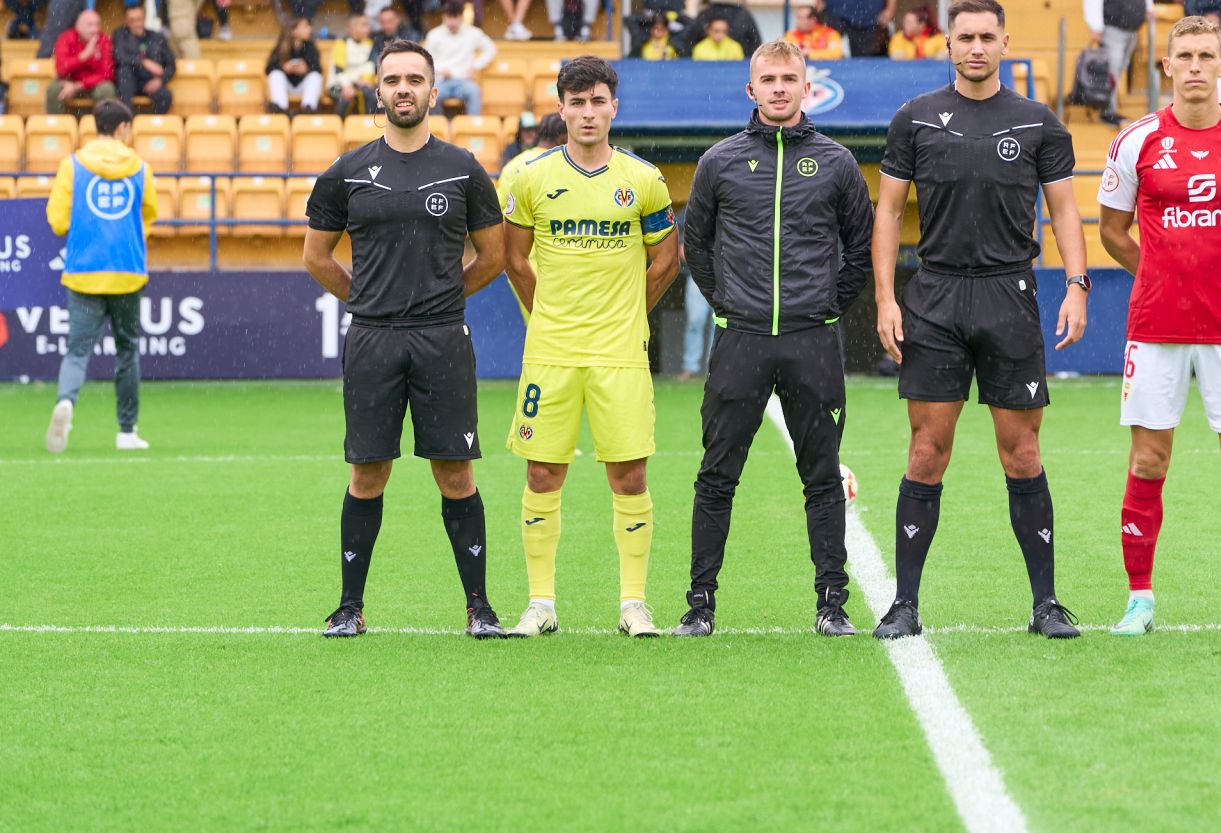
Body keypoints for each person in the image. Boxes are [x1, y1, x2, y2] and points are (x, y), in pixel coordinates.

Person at [871, 0, 1088, 640]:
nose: (975, 47)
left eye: (986, 36)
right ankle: (905, 603)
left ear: (1004, 42)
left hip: (1008, 294)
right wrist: (885, 296)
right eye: (964, 36)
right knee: (926, 448)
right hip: (935, 296)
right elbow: (887, 211)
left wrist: (1076, 284)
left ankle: (1045, 603)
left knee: (1021, 450)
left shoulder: (1036, 121)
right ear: (947, 44)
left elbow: (1066, 211)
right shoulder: (915, 118)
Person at [1098, 15, 1221, 639]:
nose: (1192, 66)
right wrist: (1160, 273)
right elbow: (1110, 229)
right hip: (1155, 326)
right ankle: (1139, 600)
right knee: (1149, 460)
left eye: (1204, 56)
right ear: (1166, 66)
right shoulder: (1136, 141)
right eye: (1181, 56)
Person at [303, 40, 508, 639]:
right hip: (372, 340)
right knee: (367, 474)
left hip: (442, 338)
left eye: (414, 79)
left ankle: (479, 608)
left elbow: (493, 255)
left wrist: (443, 298)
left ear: (433, 92)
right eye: (392, 79)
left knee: (457, 475)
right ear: (378, 92)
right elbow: (316, 256)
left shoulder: (464, 167)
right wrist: (367, 301)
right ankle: (349, 607)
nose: (403, 89)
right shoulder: (346, 170)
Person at [669, 40, 874, 638]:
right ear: (750, 90)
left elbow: (858, 247)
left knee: (821, 476)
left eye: (790, 78)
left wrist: (829, 305)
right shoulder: (719, 162)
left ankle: (831, 605)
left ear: (806, 88)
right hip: (742, 342)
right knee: (717, 475)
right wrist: (728, 304)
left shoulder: (837, 163)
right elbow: (697, 246)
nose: (780, 88)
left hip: (813, 341)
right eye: (769, 79)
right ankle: (700, 605)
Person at [498, 57, 679, 640]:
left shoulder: (644, 180)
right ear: (561, 109)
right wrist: (544, 313)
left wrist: (629, 315)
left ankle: (633, 604)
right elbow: (514, 259)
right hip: (550, 352)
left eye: (597, 101)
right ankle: (541, 603)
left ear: (613, 108)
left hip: (620, 353)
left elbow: (667, 259)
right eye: (576, 103)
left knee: (629, 476)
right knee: (543, 474)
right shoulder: (530, 178)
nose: (587, 112)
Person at [43, 100, 158, 454]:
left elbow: (57, 220)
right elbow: (149, 215)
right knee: (127, 351)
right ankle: (126, 431)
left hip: (84, 271)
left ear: (96, 126)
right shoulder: (139, 167)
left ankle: (66, 402)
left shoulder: (72, 166)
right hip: (126, 270)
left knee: (77, 351)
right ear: (122, 128)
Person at [1083, 0, 1152, 127]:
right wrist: (1095, 26)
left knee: (1119, 68)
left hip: (1133, 28)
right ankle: (1107, 110)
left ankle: (1107, 105)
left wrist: (1148, 8)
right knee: (1111, 69)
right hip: (1112, 27)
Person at [424, 6, 495, 117]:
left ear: (461, 17)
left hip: (464, 80)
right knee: (430, 95)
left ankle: (473, 128)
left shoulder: (473, 33)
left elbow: (490, 48)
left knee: (474, 92)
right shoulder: (434, 35)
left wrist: (476, 65)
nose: (452, 22)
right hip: (441, 80)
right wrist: (440, 69)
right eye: (449, 18)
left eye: (455, 18)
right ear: (444, 17)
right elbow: (426, 59)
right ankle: (438, 128)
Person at [47, 7, 118, 114]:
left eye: (97, 24)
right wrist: (83, 57)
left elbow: (107, 74)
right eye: (89, 25)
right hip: (68, 81)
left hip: (93, 85)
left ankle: (105, 127)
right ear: (78, 26)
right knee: (53, 89)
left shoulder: (104, 40)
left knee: (107, 89)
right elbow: (61, 69)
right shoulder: (65, 38)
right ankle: (56, 128)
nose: (94, 29)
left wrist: (77, 86)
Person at [112, 2, 174, 115]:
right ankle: (128, 121)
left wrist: (161, 80)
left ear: (144, 19)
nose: (136, 23)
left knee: (166, 96)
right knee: (124, 71)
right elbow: (118, 56)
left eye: (139, 19)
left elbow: (171, 65)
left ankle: (150, 126)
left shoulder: (157, 37)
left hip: (149, 81)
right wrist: (143, 62)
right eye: (132, 20)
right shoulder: (120, 35)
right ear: (126, 21)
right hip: (128, 82)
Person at [265, 17, 324, 113]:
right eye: (305, 26)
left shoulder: (311, 47)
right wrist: (284, 68)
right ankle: (280, 108)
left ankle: (308, 108)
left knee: (315, 77)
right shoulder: (280, 47)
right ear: (294, 30)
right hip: (286, 86)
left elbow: (318, 69)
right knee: (276, 75)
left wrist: (306, 70)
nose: (309, 29)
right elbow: (269, 69)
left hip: (303, 85)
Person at [327, 11, 378, 116]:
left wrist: (360, 83)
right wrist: (349, 85)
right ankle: (339, 125)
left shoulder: (371, 44)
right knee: (347, 95)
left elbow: (370, 68)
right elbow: (339, 72)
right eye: (364, 25)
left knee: (372, 94)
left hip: (361, 86)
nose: (368, 28)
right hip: (338, 84)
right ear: (353, 27)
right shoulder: (341, 43)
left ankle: (368, 126)